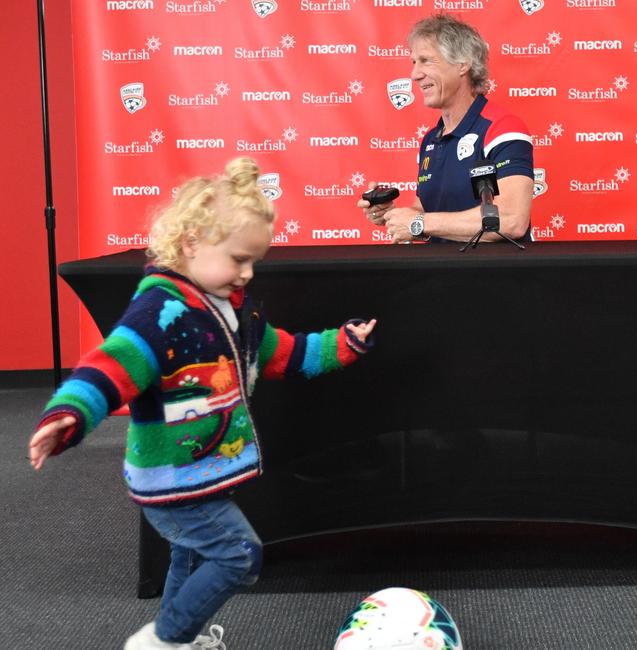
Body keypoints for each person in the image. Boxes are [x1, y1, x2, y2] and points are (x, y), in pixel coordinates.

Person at [29, 157, 377, 650]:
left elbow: (284, 353)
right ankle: (165, 640)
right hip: (172, 477)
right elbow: (112, 364)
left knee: (189, 558)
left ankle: (175, 638)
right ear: (191, 243)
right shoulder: (162, 312)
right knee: (238, 556)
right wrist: (70, 414)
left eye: (254, 260)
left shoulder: (233, 311)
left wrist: (342, 344)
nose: (248, 272)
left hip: (203, 474)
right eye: (238, 259)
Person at [358, 13, 534, 244]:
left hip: (493, 277)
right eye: (414, 62)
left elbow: (512, 220)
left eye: (426, 60)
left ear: (462, 64)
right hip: (440, 276)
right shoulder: (431, 139)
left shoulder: (502, 128)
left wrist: (419, 222)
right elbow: (427, 212)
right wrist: (393, 215)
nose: (415, 75)